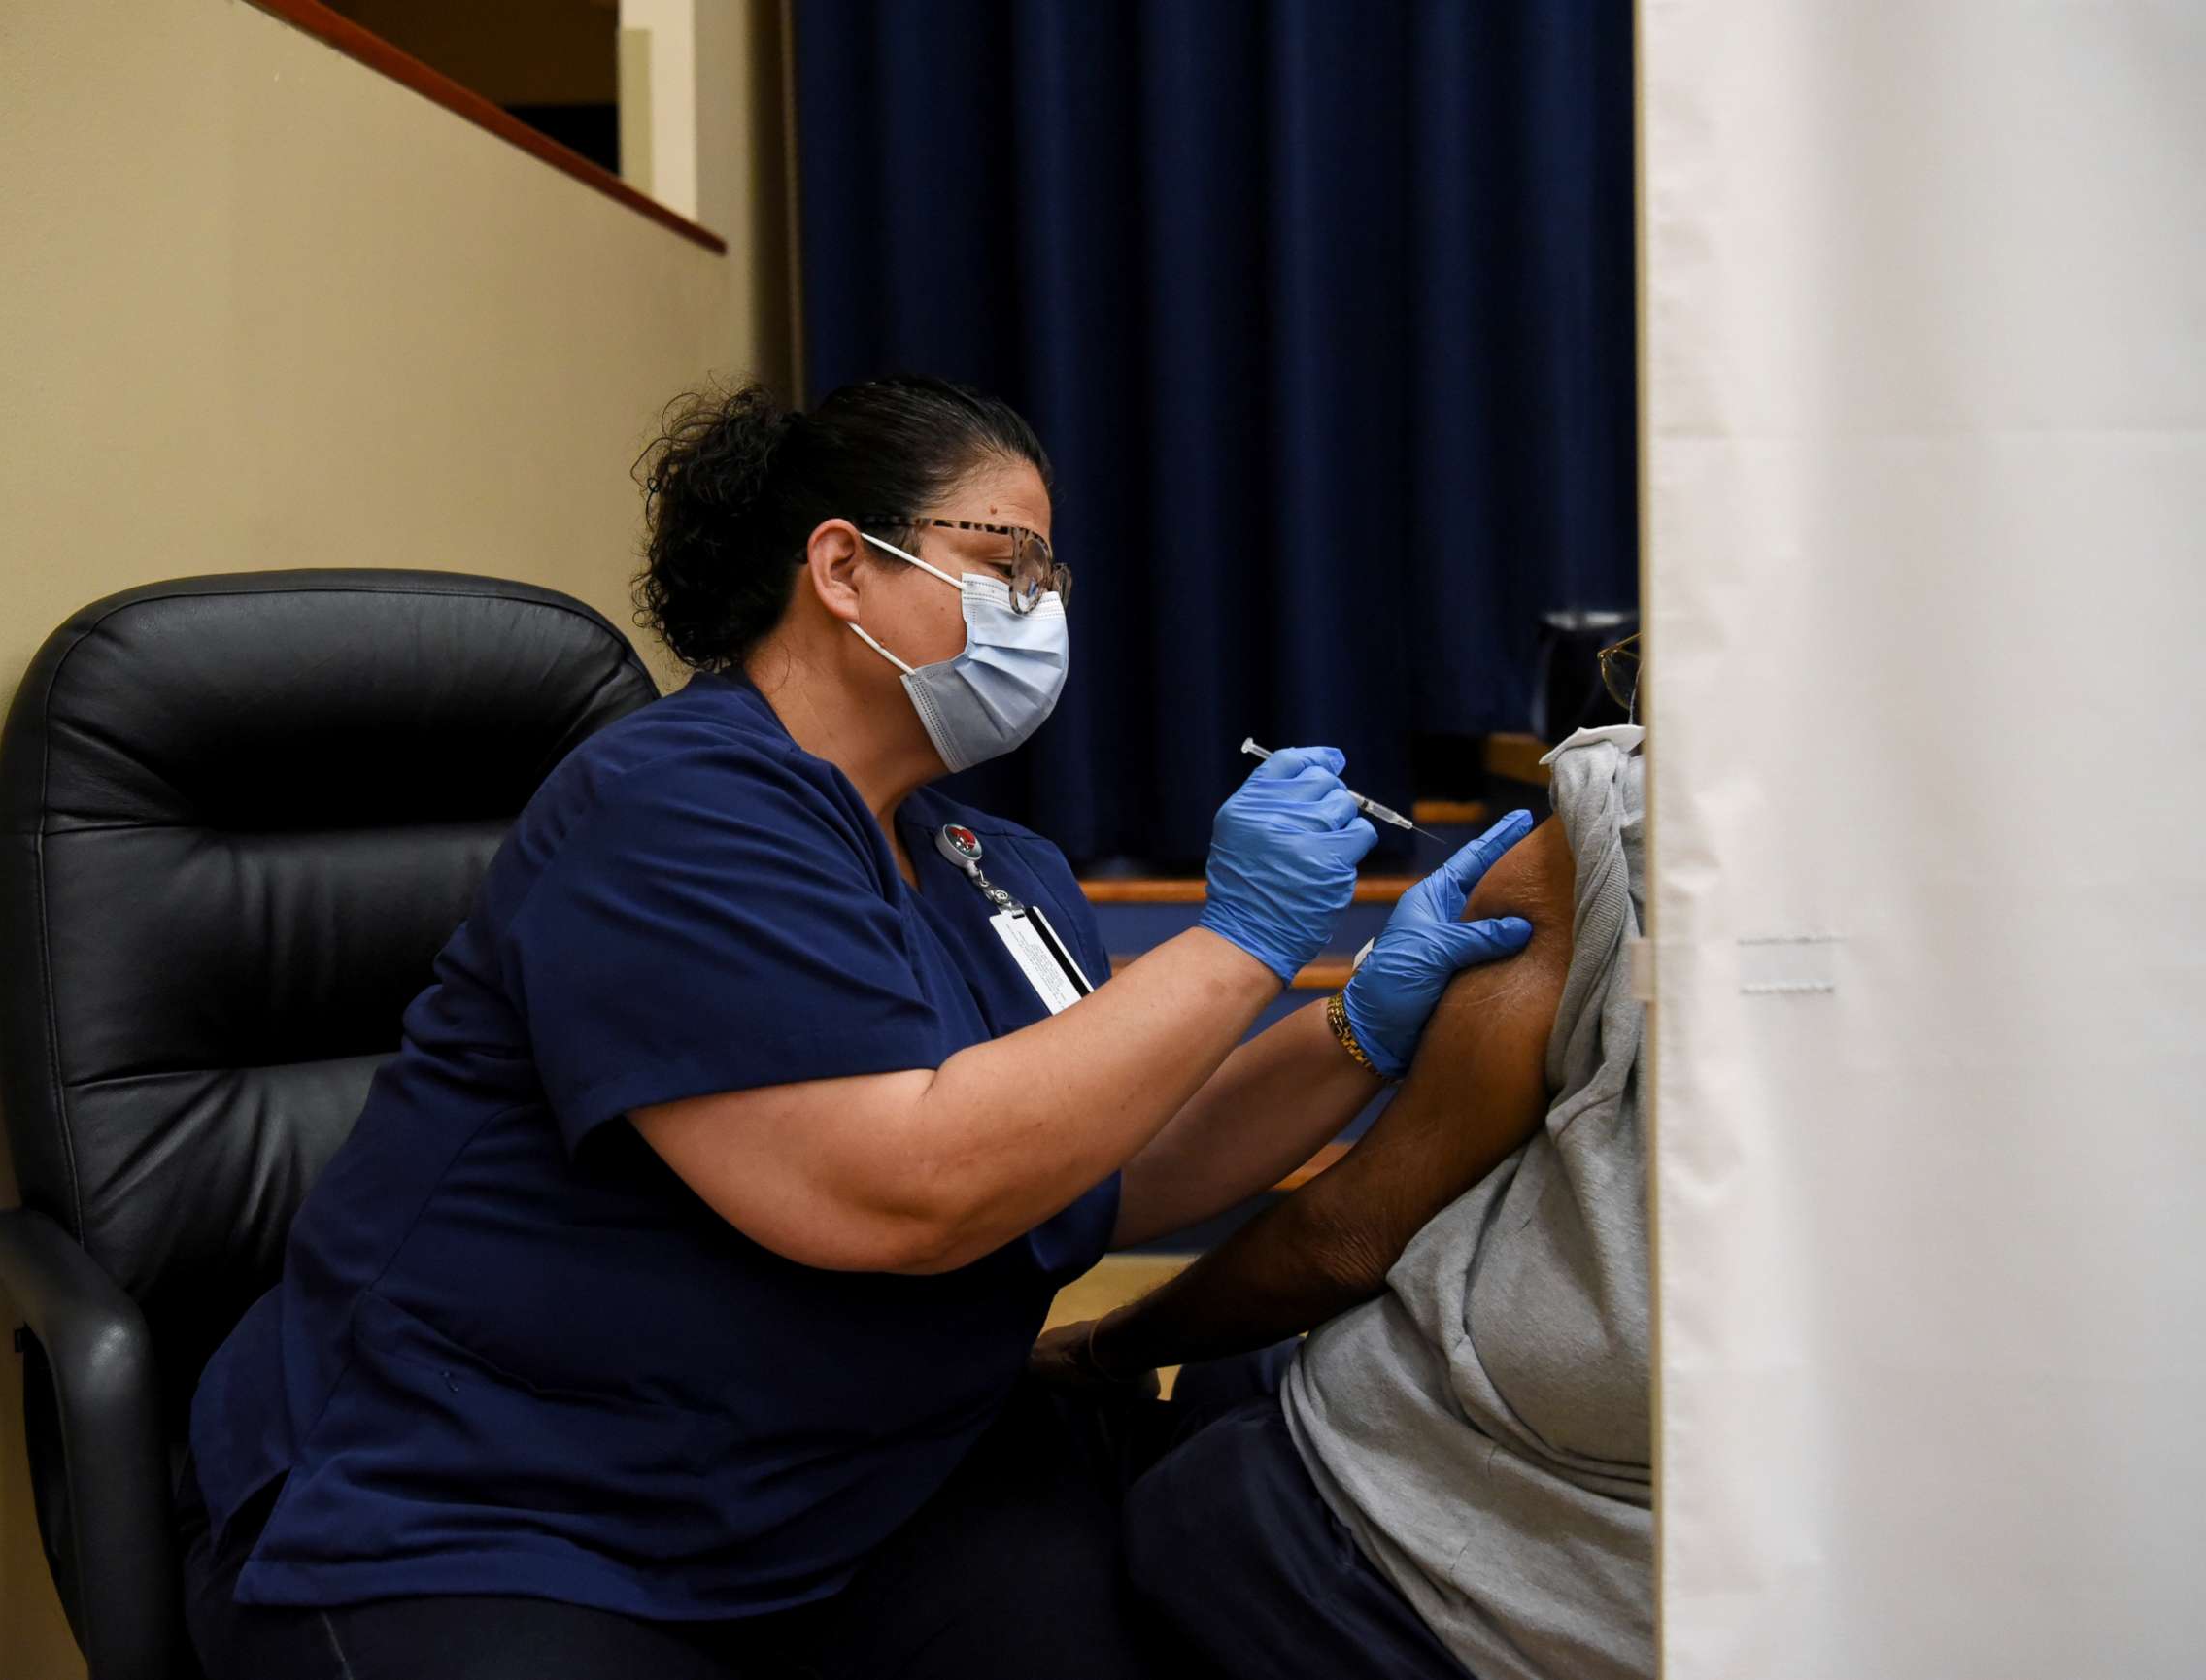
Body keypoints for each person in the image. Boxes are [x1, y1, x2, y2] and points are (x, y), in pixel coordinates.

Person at [175, 374, 1537, 1680]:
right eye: (1010, 563)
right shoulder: (674, 809)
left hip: (850, 1490)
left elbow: (1098, 1155)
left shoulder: (985, 859)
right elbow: (910, 1187)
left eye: (1051, 579)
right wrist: (1238, 944)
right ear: (842, 568)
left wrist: (1350, 1029)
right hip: (509, 1510)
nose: (1041, 610)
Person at [1036, 729, 1651, 1680]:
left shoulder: (1613, 828)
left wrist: (1103, 1343)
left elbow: (1349, 1234)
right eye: (1007, 570)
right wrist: (1348, 1022)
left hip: (1433, 1560)